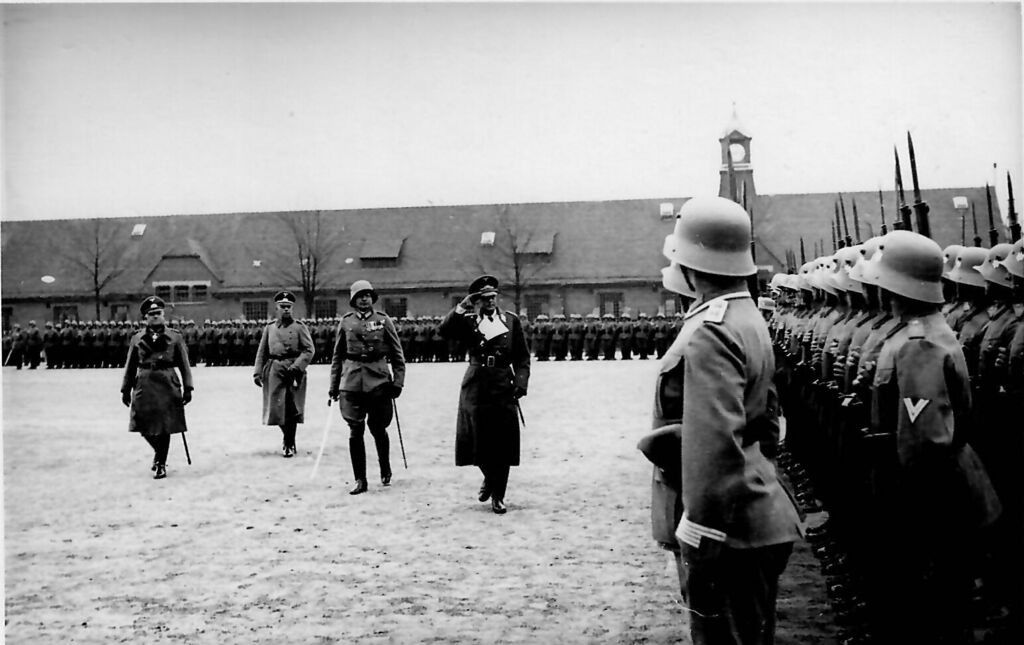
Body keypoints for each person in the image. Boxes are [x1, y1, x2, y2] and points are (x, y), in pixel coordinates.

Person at [657, 196, 803, 645]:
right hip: (753, 508)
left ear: (688, 263)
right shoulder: (745, 316)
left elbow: (714, 443)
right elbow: (768, 421)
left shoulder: (711, 330)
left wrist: (701, 530)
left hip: (727, 527)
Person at [865, 230, 1001, 644]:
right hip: (944, 488)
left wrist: (904, 507)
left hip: (931, 496)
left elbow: (924, 442)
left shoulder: (917, 344)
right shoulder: (926, 332)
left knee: (935, 606)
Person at [439, 275, 530, 514]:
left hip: (502, 381)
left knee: (503, 440)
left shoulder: (510, 321)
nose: (489, 301)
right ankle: (490, 477)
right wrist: (462, 306)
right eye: (484, 298)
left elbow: (522, 356)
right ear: (477, 300)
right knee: (476, 437)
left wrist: (521, 382)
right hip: (476, 382)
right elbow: (444, 330)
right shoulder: (468, 321)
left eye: (492, 297)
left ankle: (498, 495)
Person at [328, 280, 406, 495]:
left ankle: (385, 468)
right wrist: (334, 386)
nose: (364, 299)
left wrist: (398, 382)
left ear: (373, 298)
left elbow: (397, 355)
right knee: (355, 429)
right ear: (353, 300)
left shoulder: (383, 320)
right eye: (359, 296)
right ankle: (360, 479)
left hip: (378, 380)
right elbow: (337, 356)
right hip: (351, 381)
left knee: (378, 427)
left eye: (367, 295)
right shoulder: (346, 322)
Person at [120, 296, 193, 479]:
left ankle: (161, 462)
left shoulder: (175, 337)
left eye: (158, 313)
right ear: (145, 317)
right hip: (144, 382)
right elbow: (130, 365)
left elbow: (184, 365)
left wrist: (188, 387)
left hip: (167, 381)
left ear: (163, 314)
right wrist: (125, 389)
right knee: (141, 422)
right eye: (151, 314)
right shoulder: (137, 338)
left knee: (164, 424)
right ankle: (158, 452)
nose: (155, 316)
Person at [254, 291, 315, 457]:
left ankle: (288, 442)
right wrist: (257, 372)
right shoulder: (270, 328)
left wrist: (296, 367)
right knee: (276, 408)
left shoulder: (299, 327)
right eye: (283, 306)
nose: (286, 309)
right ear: (277, 308)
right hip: (274, 370)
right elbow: (262, 352)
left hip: (294, 371)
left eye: (289, 307)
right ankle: (288, 438)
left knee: (291, 408)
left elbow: (309, 350)